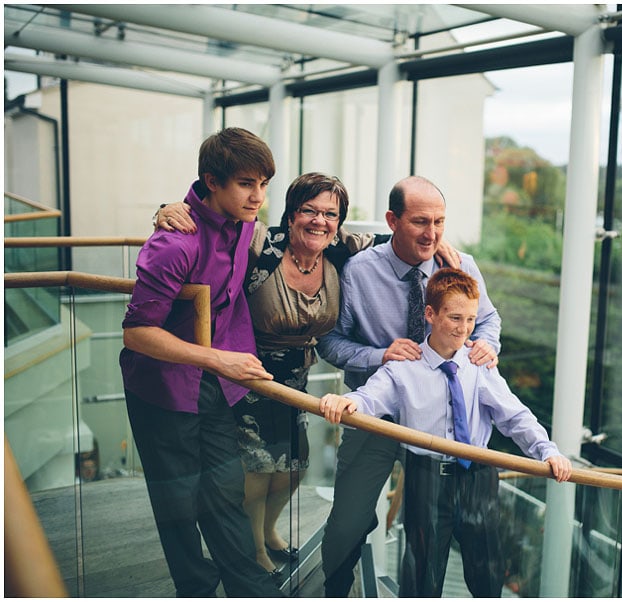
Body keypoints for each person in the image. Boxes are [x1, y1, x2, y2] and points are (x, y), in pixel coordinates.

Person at [153, 173, 461, 579]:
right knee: (257, 470)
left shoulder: (338, 251)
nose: (320, 221)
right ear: (292, 212)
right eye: (309, 211)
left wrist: (438, 242)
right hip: (248, 371)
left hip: (296, 377)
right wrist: (168, 210)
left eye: (330, 214)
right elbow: (212, 227)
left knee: (292, 468)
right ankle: (256, 551)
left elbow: (395, 242)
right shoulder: (259, 241)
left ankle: (267, 531)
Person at [319, 267, 573, 597]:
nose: (464, 328)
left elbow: (515, 417)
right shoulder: (403, 367)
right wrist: (344, 401)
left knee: (487, 573)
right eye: (455, 318)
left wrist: (547, 451)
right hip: (426, 479)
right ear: (430, 314)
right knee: (421, 574)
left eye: (470, 319)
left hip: (479, 479)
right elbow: (368, 398)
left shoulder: (479, 365)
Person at [316, 175, 501, 596]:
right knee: (347, 521)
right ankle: (336, 590)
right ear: (391, 220)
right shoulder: (359, 273)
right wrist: (379, 354)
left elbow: (488, 320)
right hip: (377, 415)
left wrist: (487, 346)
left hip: (441, 424)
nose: (432, 233)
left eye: (439, 221)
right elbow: (330, 340)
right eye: (420, 222)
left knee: (449, 536)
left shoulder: (460, 265)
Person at [119, 127, 284, 597]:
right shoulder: (174, 243)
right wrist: (220, 360)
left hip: (213, 380)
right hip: (161, 387)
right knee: (177, 503)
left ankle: (249, 589)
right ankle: (194, 589)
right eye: (246, 184)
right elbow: (135, 333)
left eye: (264, 184)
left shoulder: (244, 222)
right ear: (213, 182)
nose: (258, 197)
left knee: (226, 491)